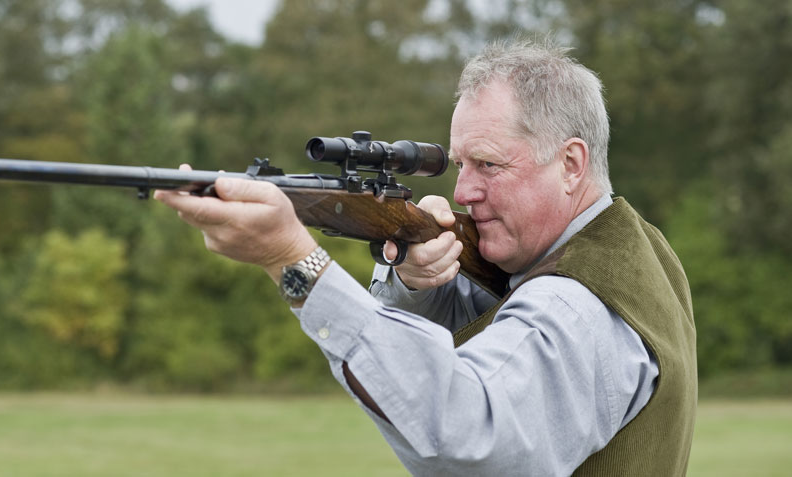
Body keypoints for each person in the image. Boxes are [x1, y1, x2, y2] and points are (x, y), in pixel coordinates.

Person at [155, 40, 696, 476]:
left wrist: (291, 260)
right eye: (460, 164)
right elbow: (481, 351)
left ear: (571, 163)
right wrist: (419, 285)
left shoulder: (575, 303)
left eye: (488, 165)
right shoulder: (636, 248)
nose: (464, 192)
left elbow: (465, 438)